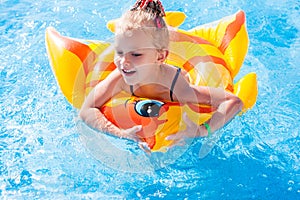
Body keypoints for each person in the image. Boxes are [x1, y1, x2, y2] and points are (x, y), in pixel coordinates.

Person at [79, 0, 243, 146]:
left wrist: (202, 130)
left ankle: (170, 28)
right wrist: (121, 133)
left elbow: (233, 101)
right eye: (119, 52)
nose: (123, 62)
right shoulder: (119, 77)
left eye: (136, 54)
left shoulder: (177, 87)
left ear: (160, 56)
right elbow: (86, 109)